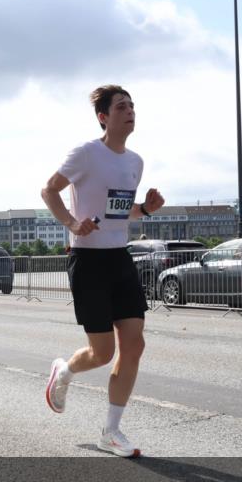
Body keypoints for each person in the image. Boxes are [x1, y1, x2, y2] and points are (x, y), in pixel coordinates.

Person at [40, 84, 165, 458]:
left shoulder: (135, 162)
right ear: (103, 117)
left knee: (135, 344)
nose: (130, 111)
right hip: (89, 260)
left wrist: (144, 209)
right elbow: (49, 190)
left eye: (132, 105)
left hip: (119, 258)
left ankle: (111, 432)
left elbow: (117, 210)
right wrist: (73, 223)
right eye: (121, 106)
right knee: (102, 352)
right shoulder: (86, 154)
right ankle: (65, 370)